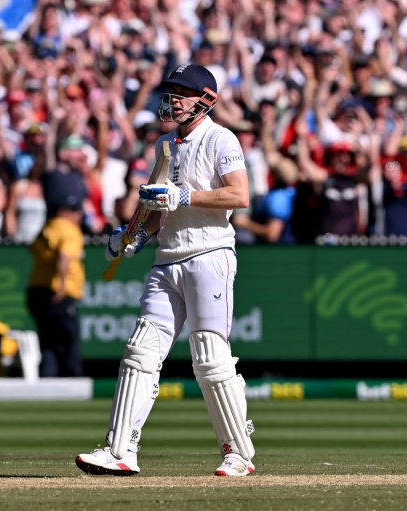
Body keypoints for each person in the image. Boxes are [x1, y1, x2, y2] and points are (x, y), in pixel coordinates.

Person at [75, 64, 255, 477]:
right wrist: (132, 234)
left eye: (181, 93)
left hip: (209, 254)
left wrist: (184, 194)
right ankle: (120, 450)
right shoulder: (166, 145)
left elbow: (239, 194)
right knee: (141, 351)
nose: (172, 100)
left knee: (210, 357)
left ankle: (238, 454)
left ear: (205, 99)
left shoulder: (220, 138)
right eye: (170, 92)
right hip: (167, 258)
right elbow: (158, 205)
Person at [26, 194, 85, 377]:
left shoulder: (47, 228)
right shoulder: (70, 230)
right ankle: (74, 379)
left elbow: (32, 249)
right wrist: (61, 284)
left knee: (48, 339)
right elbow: (64, 256)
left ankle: (48, 376)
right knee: (68, 338)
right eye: (75, 211)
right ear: (66, 213)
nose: (78, 216)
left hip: (36, 289)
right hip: (58, 292)